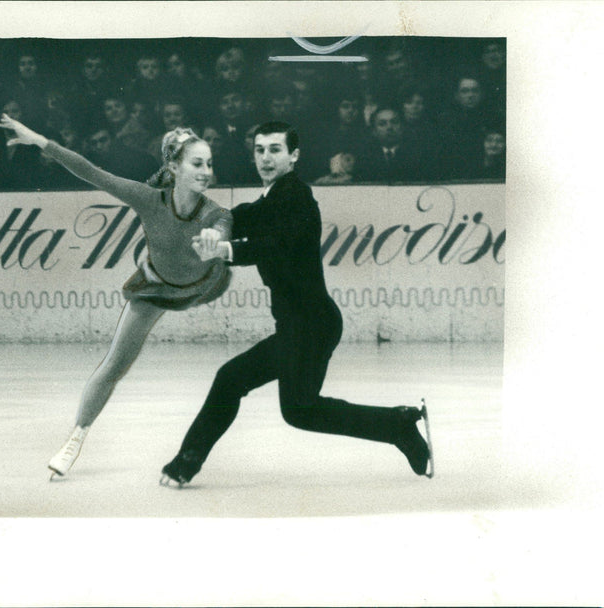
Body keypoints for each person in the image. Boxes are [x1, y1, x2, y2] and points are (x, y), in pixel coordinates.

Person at [160, 121, 433, 486]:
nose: (266, 158)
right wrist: (206, 220)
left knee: (242, 384)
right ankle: (397, 424)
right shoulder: (273, 198)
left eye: (275, 150)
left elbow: (276, 242)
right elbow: (240, 215)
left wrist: (225, 249)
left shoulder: (297, 197)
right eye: (259, 150)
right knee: (297, 409)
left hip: (311, 325)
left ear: (294, 156)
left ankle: (185, 464)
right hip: (299, 325)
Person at [0, 113, 234, 479]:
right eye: (197, 163)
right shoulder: (148, 198)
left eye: (209, 163)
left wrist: (216, 243)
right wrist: (41, 140)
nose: (206, 171)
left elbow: (221, 228)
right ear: (174, 166)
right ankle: (76, 436)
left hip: (205, 285)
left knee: (220, 273)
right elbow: (93, 172)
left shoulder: (217, 213)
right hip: (155, 291)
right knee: (114, 366)